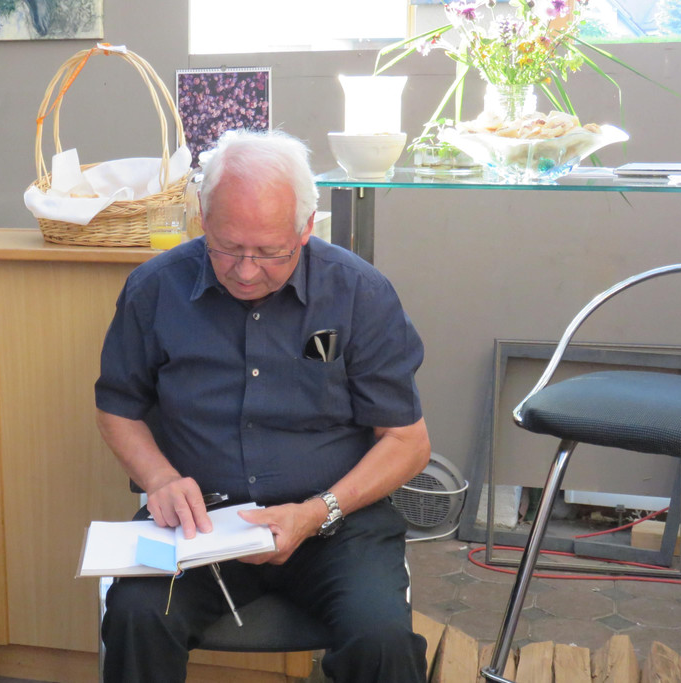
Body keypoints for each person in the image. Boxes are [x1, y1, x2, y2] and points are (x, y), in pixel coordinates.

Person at [94, 128, 431, 682]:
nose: (246, 271)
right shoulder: (154, 289)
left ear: (306, 227)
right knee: (137, 615)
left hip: (335, 523)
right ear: (203, 218)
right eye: (227, 247)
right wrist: (159, 479)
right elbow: (118, 407)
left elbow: (407, 442)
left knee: (381, 638)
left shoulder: (359, 293)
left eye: (270, 252)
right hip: (199, 527)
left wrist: (316, 512)